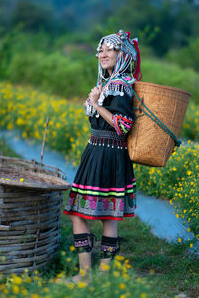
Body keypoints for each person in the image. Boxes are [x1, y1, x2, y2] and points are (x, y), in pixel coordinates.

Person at [63, 30, 142, 283]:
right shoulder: (108, 85)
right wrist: (96, 101)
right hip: (95, 152)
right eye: (101, 50)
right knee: (86, 212)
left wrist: (97, 105)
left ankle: (91, 276)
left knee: (99, 214)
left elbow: (123, 125)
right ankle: (92, 276)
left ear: (122, 55)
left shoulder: (120, 86)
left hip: (110, 154)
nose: (103, 54)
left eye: (110, 49)